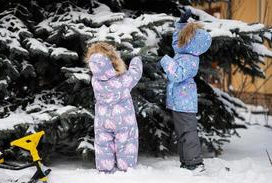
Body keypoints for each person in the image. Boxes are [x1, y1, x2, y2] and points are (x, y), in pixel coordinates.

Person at [157, 9, 212, 172]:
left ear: (190, 42)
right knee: (182, 133)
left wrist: (164, 61)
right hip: (179, 103)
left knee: (188, 133)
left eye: (183, 37)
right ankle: (186, 161)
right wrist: (181, 24)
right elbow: (177, 42)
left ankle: (195, 162)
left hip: (185, 104)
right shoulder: (184, 52)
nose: (178, 41)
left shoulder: (190, 59)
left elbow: (177, 75)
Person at [85, 42, 143, 173]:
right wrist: (136, 59)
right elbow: (136, 73)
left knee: (103, 143)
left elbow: (102, 68)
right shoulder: (123, 80)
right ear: (113, 62)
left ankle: (105, 169)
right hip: (123, 120)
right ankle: (125, 168)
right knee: (126, 140)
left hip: (102, 120)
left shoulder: (95, 81)